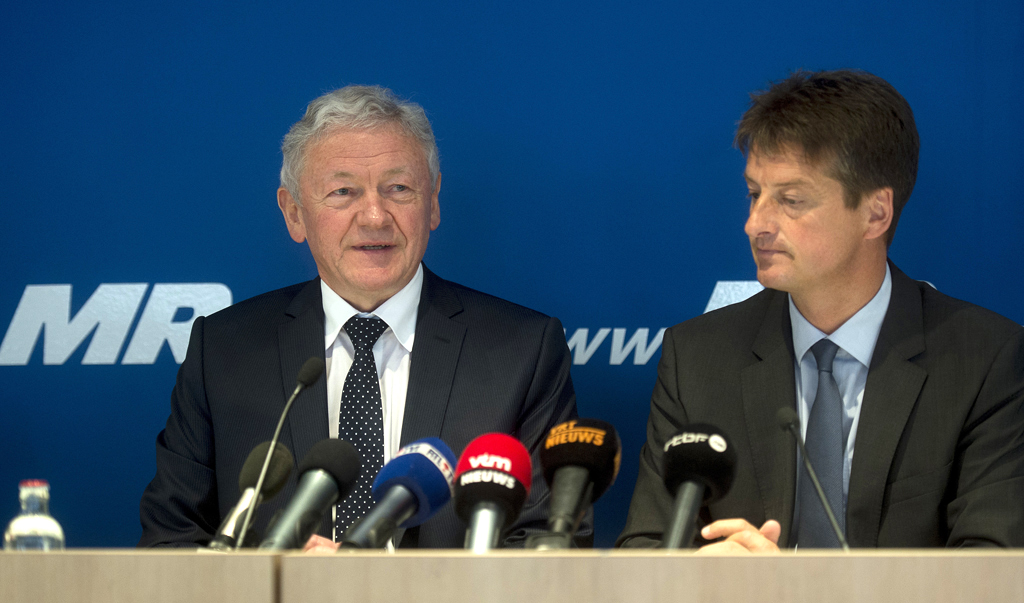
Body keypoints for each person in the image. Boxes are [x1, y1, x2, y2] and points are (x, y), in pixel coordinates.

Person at [138, 85, 587, 549]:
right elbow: (170, 542)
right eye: (343, 191)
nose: (374, 216)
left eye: (398, 188)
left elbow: (549, 549)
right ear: (294, 214)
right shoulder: (224, 351)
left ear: (432, 202)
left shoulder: (523, 351)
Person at [618, 70, 1024, 551]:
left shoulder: (984, 359)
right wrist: (705, 576)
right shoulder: (697, 358)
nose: (755, 225)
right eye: (754, 194)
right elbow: (645, 551)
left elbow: (993, 565)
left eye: (791, 200)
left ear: (876, 213)